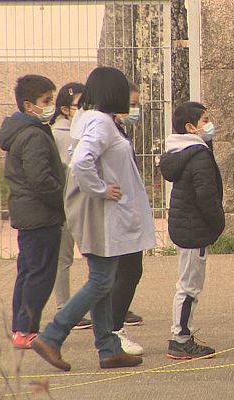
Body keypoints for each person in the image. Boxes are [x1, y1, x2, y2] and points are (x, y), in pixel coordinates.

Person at [31, 67, 156, 371]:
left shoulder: (96, 121)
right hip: (102, 214)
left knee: (103, 279)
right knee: (102, 280)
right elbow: (82, 161)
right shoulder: (100, 123)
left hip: (102, 213)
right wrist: (101, 190)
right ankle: (52, 335)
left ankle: (108, 348)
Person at [0, 75, 64, 350]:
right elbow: (40, 179)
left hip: (29, 214)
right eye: (46, 101)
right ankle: (27, 329)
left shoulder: (22, 132)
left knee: (27, 272)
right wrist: (61, 199)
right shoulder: (34, 135)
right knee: (40, 274)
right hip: (40, 215)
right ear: (29, 105)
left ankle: (20, 329)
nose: (51, 106)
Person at [159, 101, 224, 360]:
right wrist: (218, 223)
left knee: (187, 284)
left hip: (184, 225)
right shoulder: (198, 154)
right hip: (194, 228)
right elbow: (206, 196)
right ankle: (181, 338)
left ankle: (182, 334)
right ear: (190, 127)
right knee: (189, 287)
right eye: (205, 120)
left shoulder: (180, 151)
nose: (210, 124)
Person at [50, 82, 92, 330]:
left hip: (86, 204)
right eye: (80, 105)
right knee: (63, 259)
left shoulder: (87, 130)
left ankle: (106, 304)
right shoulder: (57, 134)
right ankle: (63, 307)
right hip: (66, 206)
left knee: (98, 258)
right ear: (66, 109)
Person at [110, 80, 145, 355]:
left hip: (125, 210)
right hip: (116, 212)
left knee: (123, 272)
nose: (135, 110)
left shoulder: (117, 131)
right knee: (125, 272)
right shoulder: (106, 131)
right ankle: (113, 331)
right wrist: (102, 189)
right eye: (131, 104)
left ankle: (111, 328)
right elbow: (83, 165)